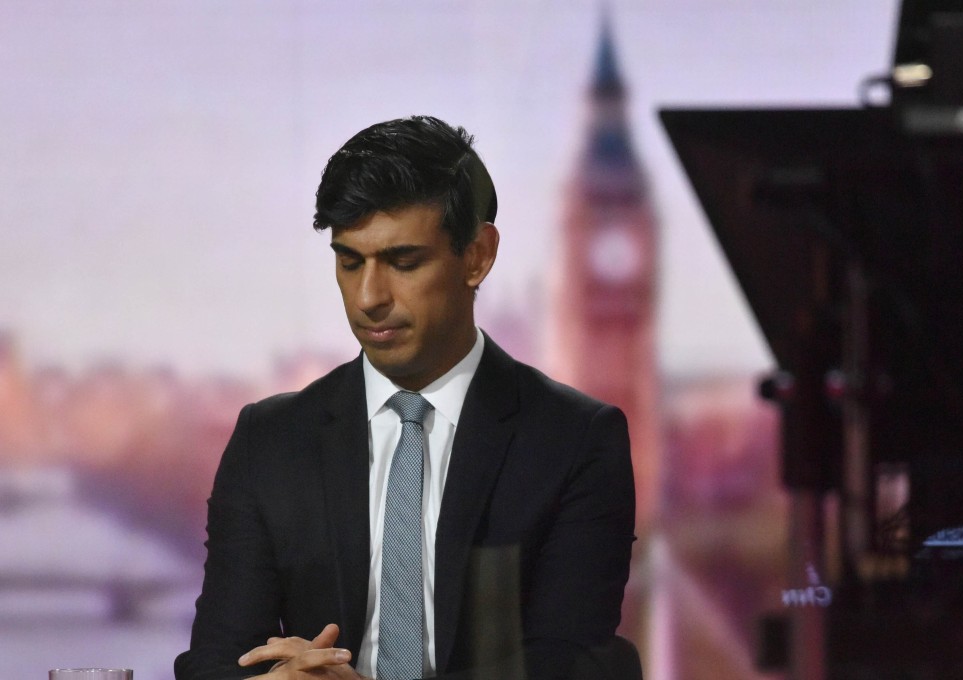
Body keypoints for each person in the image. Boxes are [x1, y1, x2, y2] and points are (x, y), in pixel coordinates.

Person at [174, 116, 636, 680]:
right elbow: (215, 664)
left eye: (403, 262)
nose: (369, 298)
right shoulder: (268, 441)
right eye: (350, 262)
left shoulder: (574, 441)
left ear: (477, 256)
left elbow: (568, 669)